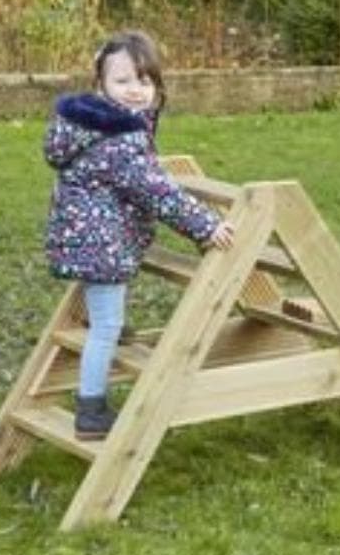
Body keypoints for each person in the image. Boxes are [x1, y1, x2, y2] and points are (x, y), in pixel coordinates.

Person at [43, 31, 235, 439]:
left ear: (156, 86)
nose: (135, 91)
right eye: (123, 81)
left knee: (105, 317)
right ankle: (91, 412)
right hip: (101, 241)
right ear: (101, 85)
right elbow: (157, 191)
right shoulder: (119, 139)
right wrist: (207, 225)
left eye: (144, 81)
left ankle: (99, 353)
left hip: (85, 235)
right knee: (107, 328)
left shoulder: (88, 127)